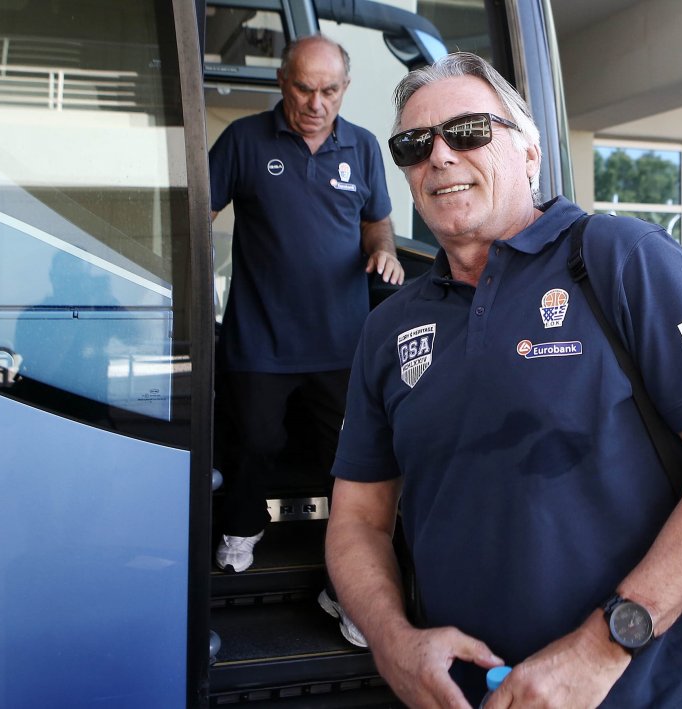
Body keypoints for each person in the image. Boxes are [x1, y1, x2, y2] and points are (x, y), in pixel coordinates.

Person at [324, 51, 682, 707]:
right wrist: (392, 640)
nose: (440, 156)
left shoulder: (622, 260)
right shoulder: (389, 328)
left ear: (530, 153)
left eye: (468, 131)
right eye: (414, 145)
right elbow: (358, 520)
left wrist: (603, 646)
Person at [208, 34, 404, 641]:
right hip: (259, 337)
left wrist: (385, 253)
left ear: (345, 89)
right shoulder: (243, 140)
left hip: (341, 342)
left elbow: (377, 223)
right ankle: (242, 527)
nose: (316, 103)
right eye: (304, 88)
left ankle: (348, 586)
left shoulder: (362, 146)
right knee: (254, 443)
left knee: (345, 464)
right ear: (282, 82)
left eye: (329, 91)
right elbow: (196, 216)